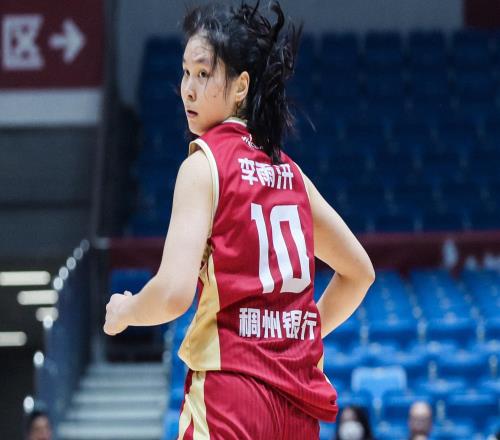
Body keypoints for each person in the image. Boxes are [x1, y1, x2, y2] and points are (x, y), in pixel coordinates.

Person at [104, 1, 375, 438]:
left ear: (240, 86)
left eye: (203, 73)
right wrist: (290, 341)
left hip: (229, 395)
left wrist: (125, 311)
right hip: (296, 406)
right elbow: (359, 273)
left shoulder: (204, 166)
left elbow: (172, 294)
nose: (188, 89)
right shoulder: (292, 175)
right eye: (185, 72)